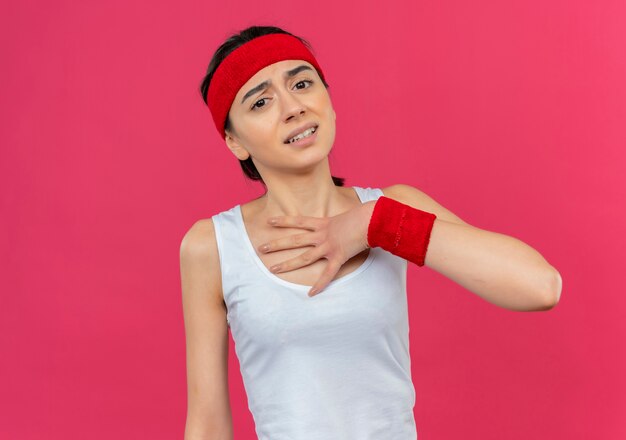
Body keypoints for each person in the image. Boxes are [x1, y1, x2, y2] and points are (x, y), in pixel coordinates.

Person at [180, 25, 562, 440]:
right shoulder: (213, 246)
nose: (293, 107)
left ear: (329, 100)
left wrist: (372, 224)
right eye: (261, 101)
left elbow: (539, 286)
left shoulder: (390, 207)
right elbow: (208, 422)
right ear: (235, 142)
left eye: (303, 83)